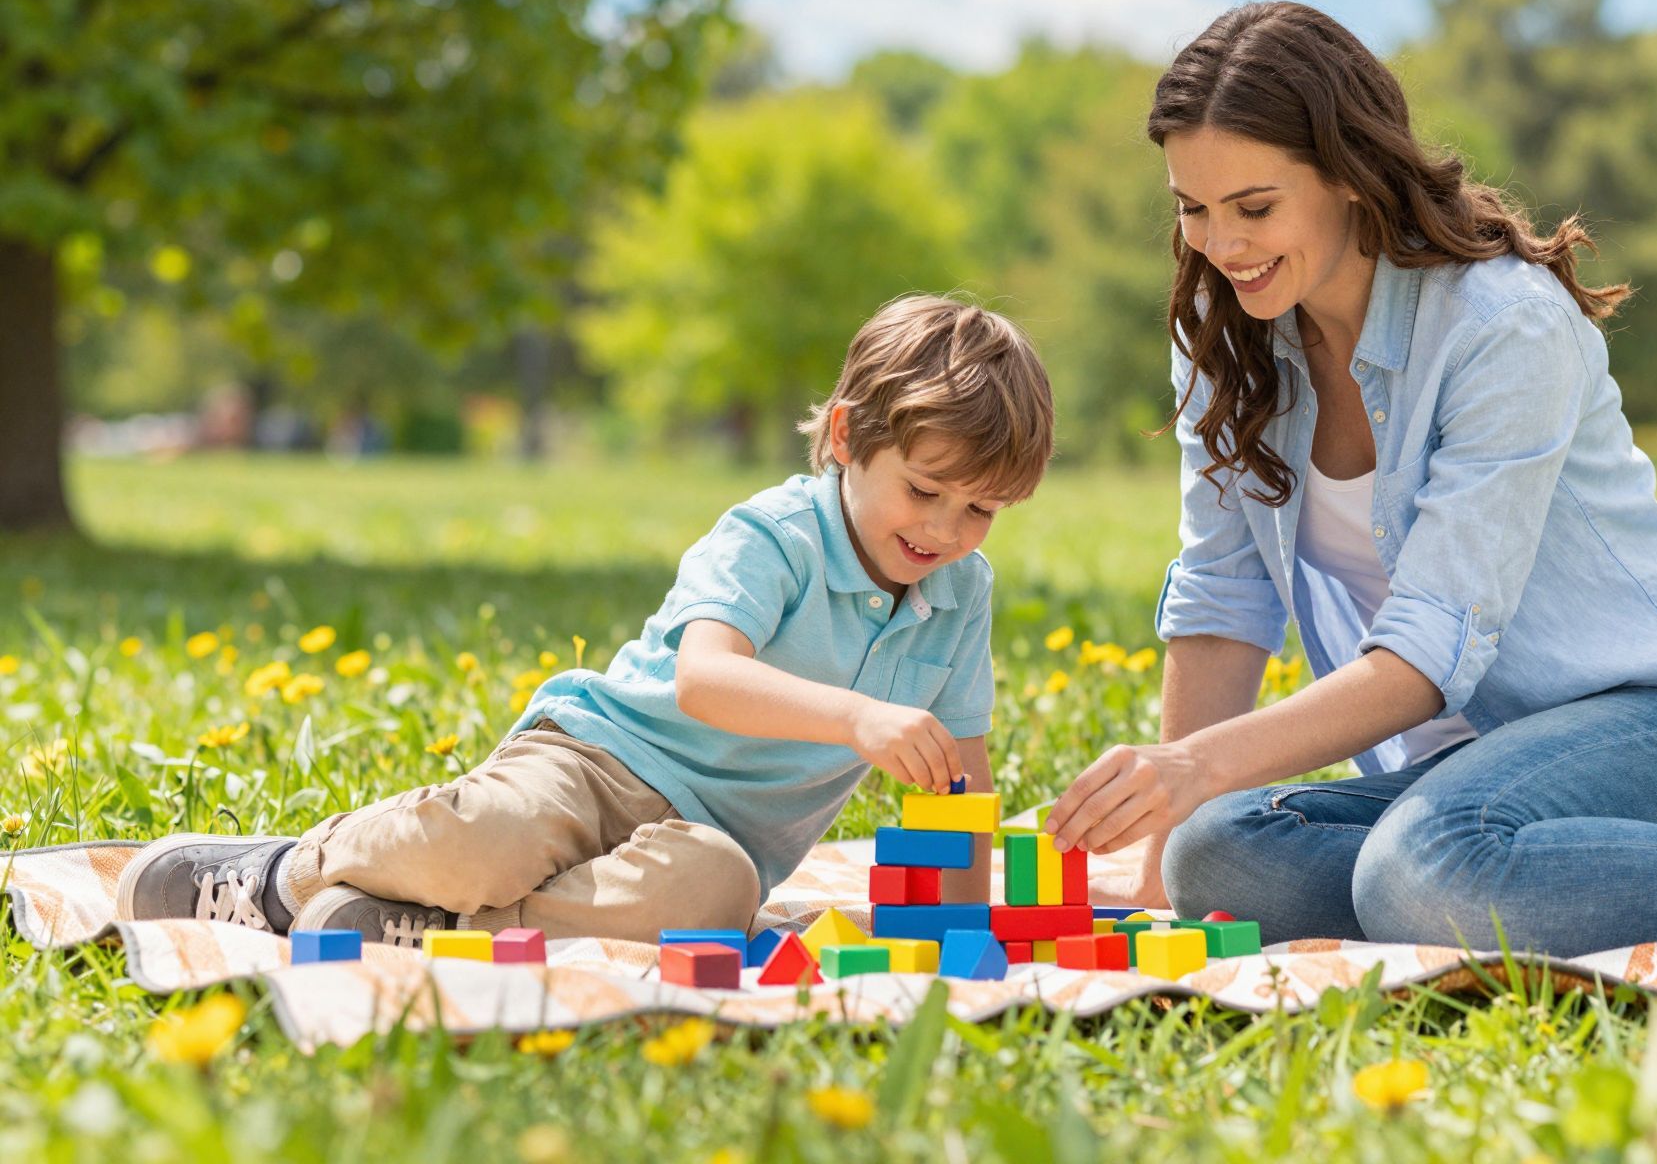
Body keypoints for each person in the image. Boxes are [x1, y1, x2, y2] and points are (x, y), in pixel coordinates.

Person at [1045, 2, 1657, 955]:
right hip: (1455, 775)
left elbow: (1428, 651)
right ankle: (1520, 891)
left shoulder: (1499, 322)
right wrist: (1159, 841)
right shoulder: (1232, 341)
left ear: (1345, 175)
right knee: (1217, 856)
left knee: (1424, 869)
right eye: (1193, 211)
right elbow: (1224, 594)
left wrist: (1195, 766)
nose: (1221, 248)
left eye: (1253, 206)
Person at [117, 295, 1056, 946]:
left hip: (714, 843)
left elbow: (958, 783)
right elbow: (705, 678)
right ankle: (286, 876)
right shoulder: (776, 534)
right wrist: (856, 718)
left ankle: (440, 934)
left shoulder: (959, 598)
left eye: (979, 511)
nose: (944, 529)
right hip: (600, 762)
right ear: (848, 438)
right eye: (925, 490)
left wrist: (961, 933)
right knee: (486, 842)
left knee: (715, 899)